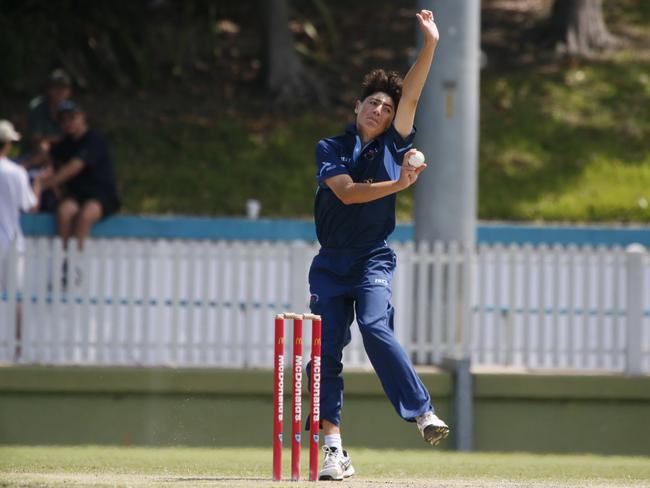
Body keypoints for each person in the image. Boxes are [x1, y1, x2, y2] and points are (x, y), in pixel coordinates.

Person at [307, 10, 448, 481]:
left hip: (372, 258)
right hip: (330, 263)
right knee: (325, 353)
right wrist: (399, 187)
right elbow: (346, 193)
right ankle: (333, 450)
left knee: (375, 326)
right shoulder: (330, 147)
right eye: (373, 104)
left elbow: (413, 92)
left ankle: (422, 412)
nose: (380, 111)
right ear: (357, 105)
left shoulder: (394, 144)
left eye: (387, 108)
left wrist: (429, 45)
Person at [40, 101, 120, 253]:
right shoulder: (66, 144)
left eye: (72, 117)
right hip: (78, 194)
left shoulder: (94, 138)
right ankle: (65, 259)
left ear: (82, 117)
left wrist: (47, 184)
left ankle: (76, 262)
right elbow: (44, 155)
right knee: (64, 212)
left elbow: (75, 167)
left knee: (85, 216)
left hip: (102, 194)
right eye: (63, 120)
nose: (68, 123)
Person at [0, 120, 42, 361]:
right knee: (16, 296)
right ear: (6, 145)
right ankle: (17, 350)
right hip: (11, 240)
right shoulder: (16, 173)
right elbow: (30, 205)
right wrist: (39, 183)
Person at [20, 68, 73, 212]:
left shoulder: (69, 109)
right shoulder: (38, 107)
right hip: (36, 154)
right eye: (57, 88)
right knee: (43, 151)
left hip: (59, 156)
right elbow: (36, 139)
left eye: (64, 88)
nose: (60, 92)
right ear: (49, 89)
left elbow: (72, 138)